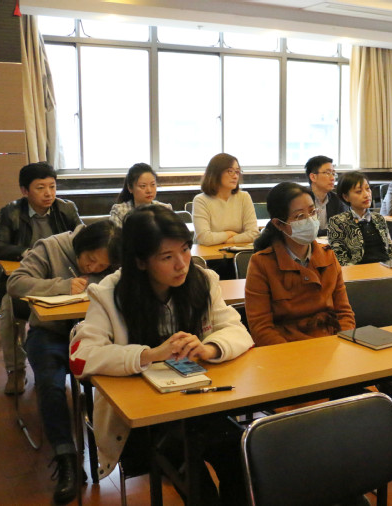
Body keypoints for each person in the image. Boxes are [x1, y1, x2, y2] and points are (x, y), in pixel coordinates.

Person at [70, 206, 254, 505]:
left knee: (238, 453)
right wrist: (150, 354)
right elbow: (82, 358)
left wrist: (209, 348)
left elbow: (237, 330)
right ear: (140, 261)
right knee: (192, 470)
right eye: (167, 257)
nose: (182, 264)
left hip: (198, 404)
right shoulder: (110, 293)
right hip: (142, 420)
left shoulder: (202, 280)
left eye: (185, 250)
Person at [7, 220, 119, 504]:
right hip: (50, 333)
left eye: (101, 267)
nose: (93, 268)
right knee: (50, 383)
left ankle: (133, 449)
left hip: (94, 333)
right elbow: (15, 283)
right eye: (90, 259)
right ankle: (66, 458)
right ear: (82, 245)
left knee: (127, 373)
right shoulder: (51, 247)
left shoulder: (113, 260)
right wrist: (62, 286)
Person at [0, 162, 82, 395]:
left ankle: (67, 365)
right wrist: (26, 252)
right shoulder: (11, 212)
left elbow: (84, 239)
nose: (49, 193)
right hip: (29, 279)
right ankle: (16, 370)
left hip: (62, 280)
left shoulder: (66, 209)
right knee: (9, 309)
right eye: (41, 188)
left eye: (52, 186)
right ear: (25, 191)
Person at [245, 182, 355, 346]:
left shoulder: (328, 256)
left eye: (312, 212)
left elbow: (344, 313)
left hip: (331, 344)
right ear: (279, 224)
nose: (309, 220)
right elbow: (261, 328)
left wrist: (342, 344)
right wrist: (294, 355)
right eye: (299, 216)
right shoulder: (262, 263)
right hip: (287, 348)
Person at [328, 171, 392, 266]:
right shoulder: (337, 222)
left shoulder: (379, 218)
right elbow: (341, 259)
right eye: (359, 191)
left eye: (368, 189)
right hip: (358, 271)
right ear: (346, 197)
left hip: (385, 268)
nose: (366, 195)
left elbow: (391, 251)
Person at [192, 153, 259, 246]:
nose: (235, 176)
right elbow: (205, 238)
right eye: (230, 171)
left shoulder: (244, 197)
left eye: (237, 172)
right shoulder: (201, 200)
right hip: (208, 253)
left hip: (236, 250)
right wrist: (229, 234)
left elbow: (254, 234)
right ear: (216, 173)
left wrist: (230, 240)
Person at [109, 162, 172, 227]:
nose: (149, 190)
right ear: (130, 188)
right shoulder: (120, 211)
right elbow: (114, 233)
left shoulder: (165, 209)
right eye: (143, 186)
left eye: (153, 184)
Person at [304, 155, 348, 235]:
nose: (332, 178)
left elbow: (342, 228)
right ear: (313, 177)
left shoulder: (337, 200)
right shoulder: (302, 200)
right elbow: (305, 231)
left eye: (333, 173)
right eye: (328, 173)